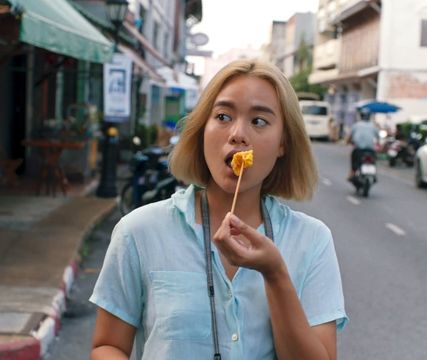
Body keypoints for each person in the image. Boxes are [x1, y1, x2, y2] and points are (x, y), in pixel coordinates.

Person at [90, 59, 348, 359]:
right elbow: (107, 346)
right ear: (202, 130)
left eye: (259, 121)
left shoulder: (312, 241)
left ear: (283, 144)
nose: (238, 133)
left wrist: (275, 273)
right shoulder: (139, 231)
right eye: (223, 116)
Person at [347, 108, 379, 181]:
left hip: (359, 150)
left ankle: (352, 173)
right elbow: (378, 137)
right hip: (371, 150)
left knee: (353, 160)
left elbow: (349, 137)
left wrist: (348, 142)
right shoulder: (373, 125)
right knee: (374, 160)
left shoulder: (356, 125)